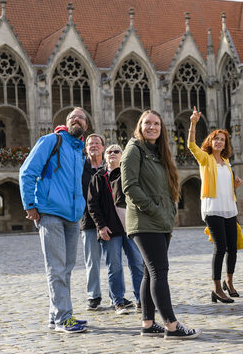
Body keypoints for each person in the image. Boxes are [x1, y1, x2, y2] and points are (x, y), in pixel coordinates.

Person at [121, 110, 202, 339]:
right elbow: (130, 187)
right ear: (140, 125)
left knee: (149, 273)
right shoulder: (134, 149)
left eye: (156, 124)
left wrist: (169, 211)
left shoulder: (157, 152)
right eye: (147, 123)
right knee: (159, 272)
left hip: (159, 221)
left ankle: (148, 324)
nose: (152, 127)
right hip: (145, 221)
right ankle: (172, 326)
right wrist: (155, 210)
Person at [19, 107, 88, 333]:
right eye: (72, 117)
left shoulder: (79, 151)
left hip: (72, 217)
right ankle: (63, 319)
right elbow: (27, 172)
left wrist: (81, 209)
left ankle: (55, 314)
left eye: (81, 118)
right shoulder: (52, 140)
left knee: (66, 268)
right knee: (56, 268)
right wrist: (30, 205)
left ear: (86, 126)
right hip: (50, 213)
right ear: (66, 122)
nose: (77, 120)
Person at [187, 106, 242, 303]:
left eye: (222, 139)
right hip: (213, 208)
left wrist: (235, 185)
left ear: (225, 143)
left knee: (233, 248)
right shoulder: (205, 158)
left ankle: (229, 281)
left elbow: (224, 185)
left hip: (229, 208)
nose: (219, 141)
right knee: (220, 248)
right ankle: (217, 288)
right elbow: (191, 145)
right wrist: (193, 123)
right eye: (216, 138)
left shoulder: (227, 161)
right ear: (210, 141)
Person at [87, 143, 144, 315]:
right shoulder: (98, 177)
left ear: (122, 155)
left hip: (131, 228)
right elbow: (92, 205)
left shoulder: (130, 175)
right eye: (109, 151)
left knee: (137, 264)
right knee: (115, 267)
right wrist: (101, 226)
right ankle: (118, 301)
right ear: (105, 156)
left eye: (116, 151)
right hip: (110, 229)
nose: (112, 153)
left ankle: (142, 300)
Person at [79, 134, 108, 311]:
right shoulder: (80, 167)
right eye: (90, 144)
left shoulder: (110, 165)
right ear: (86, 148)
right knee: (92, 260)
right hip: (88, 220)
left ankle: (117, 296)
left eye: (97, 143)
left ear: (103, 147)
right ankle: (94, 295)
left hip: (110, 220)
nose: (94, 146)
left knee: (114, 261)